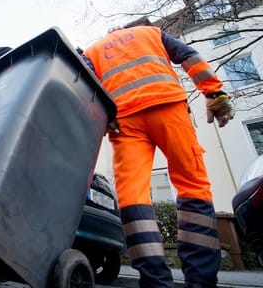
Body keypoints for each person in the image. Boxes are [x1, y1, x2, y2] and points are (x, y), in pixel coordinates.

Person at [82, 24, 235, 288]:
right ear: (121, 28)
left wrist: (103, 118)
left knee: (132, 197)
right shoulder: (150, 33)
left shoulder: (93, 50)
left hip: (125, 122)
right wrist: (214, 92)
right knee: (192, 185)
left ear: (109, 32)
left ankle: (155, 280)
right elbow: (190, 56)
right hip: (168, 108)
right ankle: (201, 280)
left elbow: (84, 84)